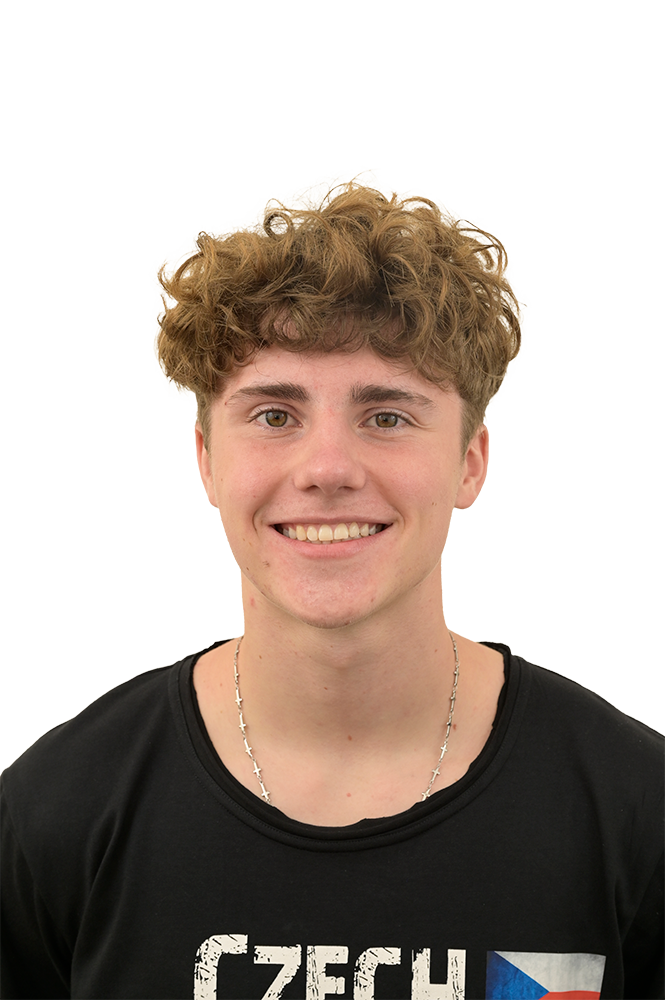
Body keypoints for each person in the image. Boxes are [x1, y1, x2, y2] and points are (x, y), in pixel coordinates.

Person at [1, 179, 663, 999]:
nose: (326, 470)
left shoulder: (635, 811)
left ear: (470, 463)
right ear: (204, 461)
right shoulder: (55, 811)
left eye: (386, 416)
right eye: (274, 416)